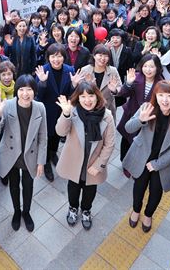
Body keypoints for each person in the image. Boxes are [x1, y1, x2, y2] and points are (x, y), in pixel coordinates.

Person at [123, 81, 170, 232]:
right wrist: (141, 120)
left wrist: (157, 164)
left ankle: (148, 215)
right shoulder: (147, 109)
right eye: (161, 95)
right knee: (138, 188)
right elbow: (128, 127)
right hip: (142, 157)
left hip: (162, 163)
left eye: (169, 96)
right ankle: (136, 210)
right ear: (155, 96)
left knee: (156, 192)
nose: (165, 100)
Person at [0, 75, 47, 231]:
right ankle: (16, 211)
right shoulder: (7, 106)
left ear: (34, 91)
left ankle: (26, 212)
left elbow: (43, 136)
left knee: (28, 186)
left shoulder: (40, 107)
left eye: (29, 89)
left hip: (30, 156)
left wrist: (41, 161)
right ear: (16, 91)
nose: (25, 94)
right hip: (11, 156)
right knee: (14, 186)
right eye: (21, 89)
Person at [55, 82, 115, 230]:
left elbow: (110, 144)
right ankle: (73, 208)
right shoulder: (73, 111)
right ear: (78, 98)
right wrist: (66, 114)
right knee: (73, 188)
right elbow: (60, 132)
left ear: (97, 96)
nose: (87, 100)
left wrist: (99, 165)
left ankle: (86, 210)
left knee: (90, 190)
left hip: (93, 163)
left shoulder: (107, 116)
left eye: (90, 96)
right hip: (75, 162)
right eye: (83, 96)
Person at [36, 44, 83, 182]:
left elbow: (71, 94)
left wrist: (74, 85)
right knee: (47, 136)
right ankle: (45, 162)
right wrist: (42, 83)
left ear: (64, 57)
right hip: (47, 111)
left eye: (59, 56)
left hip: (62, 110)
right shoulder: (43, 70)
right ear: (48, 57)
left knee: (58, 135)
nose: (56, 59)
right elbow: (39, 96)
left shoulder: (69, 70)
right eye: (53, 56)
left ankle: (53, 153)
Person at [115, 54, 164, 164]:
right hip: (131, 115)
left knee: (139, 141)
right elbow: (123, 94)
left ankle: (134, 162)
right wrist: (128, 83)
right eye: (145, 66)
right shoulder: (136, 77)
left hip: (148, 119)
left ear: (157, 68)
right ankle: (124, 161)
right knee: (126, 138)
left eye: (152, 66)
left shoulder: (161, 83)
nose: (148, 70)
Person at [79, 45, 122, 122]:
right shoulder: (85, 70)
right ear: (94, 56)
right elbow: (79, 90)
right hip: (88, 108)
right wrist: (89, 86)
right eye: (100, 55)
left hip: (107, 108)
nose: (103, 58)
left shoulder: (113, 71)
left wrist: (114, 90)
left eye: (106, 56)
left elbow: (120, 87)